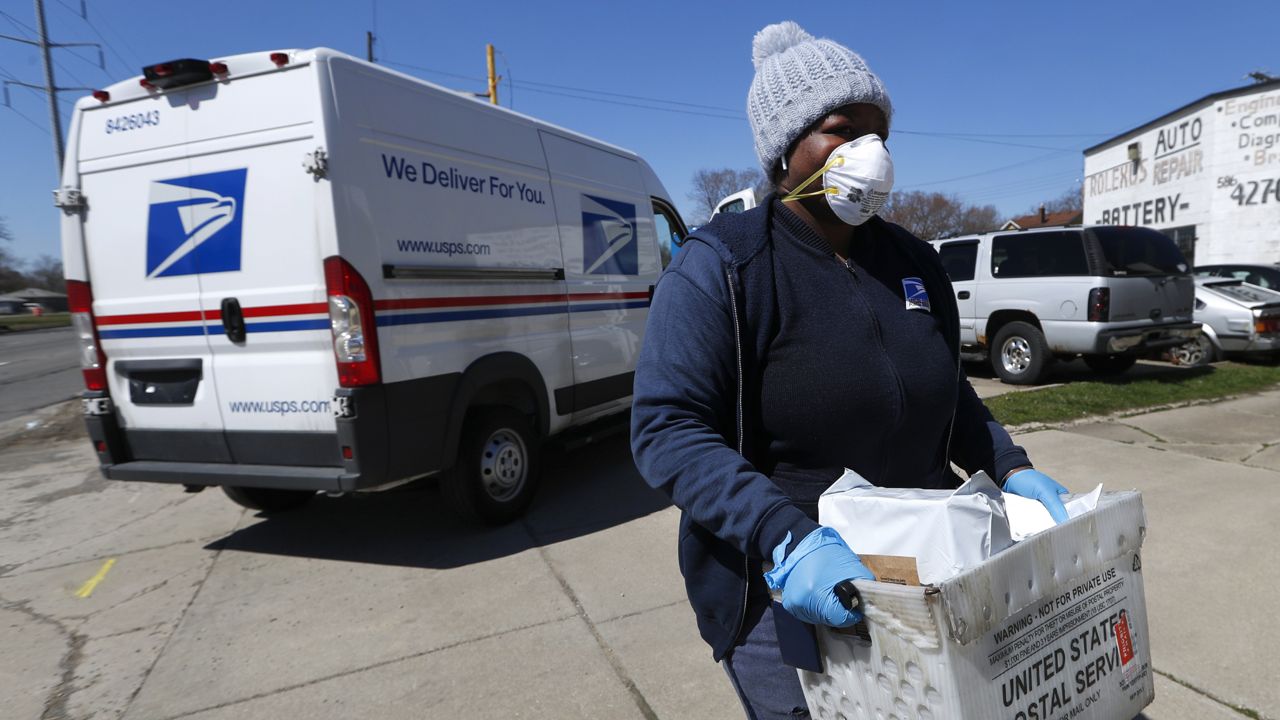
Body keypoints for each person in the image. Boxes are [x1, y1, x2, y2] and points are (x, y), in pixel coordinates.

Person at [630, 21, 1071, 720]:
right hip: (788, 595)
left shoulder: (913, 262)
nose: (870, 153)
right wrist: (785, 537)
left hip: (927, 579)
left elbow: (948, 396)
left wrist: (1011, 467)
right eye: (841, 129)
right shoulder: (724, 267)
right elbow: (667, 429)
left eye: (879, 133)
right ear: (783, 152)